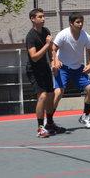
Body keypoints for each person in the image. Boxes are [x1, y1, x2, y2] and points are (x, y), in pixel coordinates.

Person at [51, 12, 90, 129]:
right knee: (58, 92)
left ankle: (85, 117)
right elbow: (53, 49)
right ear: (71, 23)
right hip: (63, 68)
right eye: (78, 22)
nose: (80, 24)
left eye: (82, 22)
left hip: (78, 69)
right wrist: (56, 61)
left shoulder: (85, 36)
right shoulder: (63, 34)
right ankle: (49, 120)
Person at [25, 8, 65, 137]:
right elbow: (34, 57)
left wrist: (54, 62)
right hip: (34, 70)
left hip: (45, 69)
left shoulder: (46, 31)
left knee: (51, 95)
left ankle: (50, 123)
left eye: (43, 16)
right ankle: (40, 128)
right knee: (42, 96)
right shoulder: (30, 36)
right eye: (40, 16)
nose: (43, 19)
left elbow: (51, 51)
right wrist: (47, 45)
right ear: (33, 19)